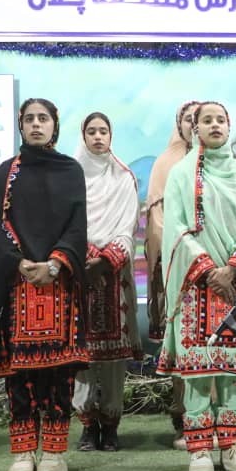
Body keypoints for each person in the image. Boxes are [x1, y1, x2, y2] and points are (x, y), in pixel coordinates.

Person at [156, 101, 236, 471]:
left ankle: (235, 447)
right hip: (196, 285)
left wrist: (234, 267)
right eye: (207, 120)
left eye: (221, 120)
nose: (215, 125)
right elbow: (176, 228)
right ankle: (200, 450)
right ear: (195, 128)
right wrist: (206, 268)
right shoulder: (180, 174)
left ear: (229, 127)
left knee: (234, 373)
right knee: (198, 372)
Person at [0, 98, 89, 471]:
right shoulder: (6, 172)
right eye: (29, 119)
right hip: (20, 286)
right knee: (20, 375)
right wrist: (20, 263)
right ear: (20, 125)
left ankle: (54, 454)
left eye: (43, 118)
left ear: (54, 125)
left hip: (59, 285)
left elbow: (77, 225)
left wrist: (56, 263)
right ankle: (23, 454)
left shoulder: (70, 170)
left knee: (59, 373)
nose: (35, 125)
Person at [71, 112, 142, 452]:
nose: (98, 137)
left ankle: (111, 425)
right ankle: (87, 425)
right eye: (92, 131)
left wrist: (105, 260)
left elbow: (128, 224)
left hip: (114, 273)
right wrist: (84, 256)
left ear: (111, 136)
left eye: (103, 131)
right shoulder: (70, 176)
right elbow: (67, 220)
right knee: (82, 356)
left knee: (113, 359)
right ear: (83, 136)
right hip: (79, 272)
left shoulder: (123, 177)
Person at [145, 101, 199, 450]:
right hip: (178, 266)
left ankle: (218, 419)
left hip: (216, 271)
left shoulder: (223, 163)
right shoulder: (166, 163)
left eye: (200, 118)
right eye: (188, 119)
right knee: (181, 342)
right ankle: (183, 417)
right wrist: (186, 250)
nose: (194, 125)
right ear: (179, 124)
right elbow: (159, 220)